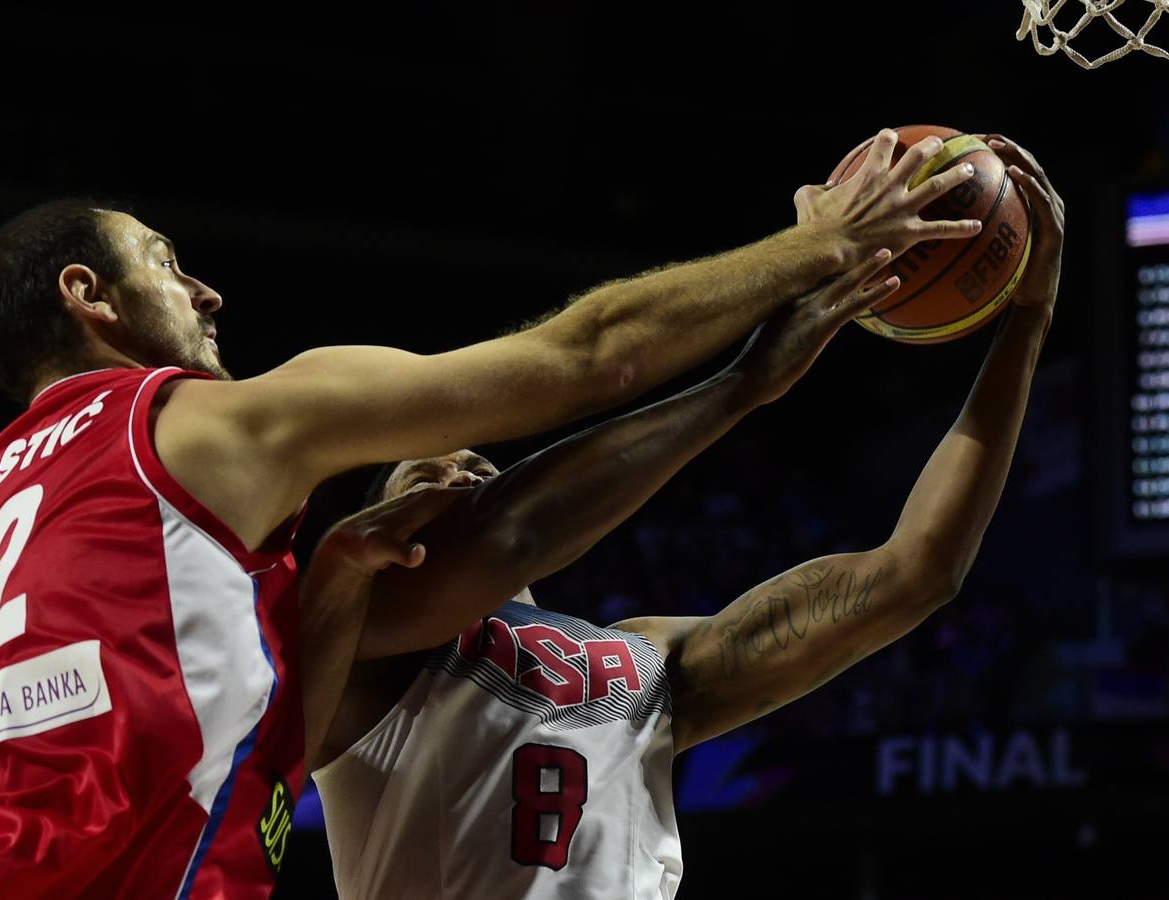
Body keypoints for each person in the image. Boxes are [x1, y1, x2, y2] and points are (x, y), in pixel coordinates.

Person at [0, 130, 977, 899]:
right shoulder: (202, 424)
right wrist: (821, 246)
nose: (206, 292)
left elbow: (238, 735)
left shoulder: (0, 488)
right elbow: (587, 358)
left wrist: (338, 579)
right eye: (166, 262)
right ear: (87, 295)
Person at [312, 135, 1063, 899]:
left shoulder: (643, 663)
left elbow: (916, 571)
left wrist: (1028, 320)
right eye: (423, 475)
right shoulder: (353, 637)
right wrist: (743, 382)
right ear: (380, 534)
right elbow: (512, 532)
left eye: (478, 466)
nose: (461, 472)